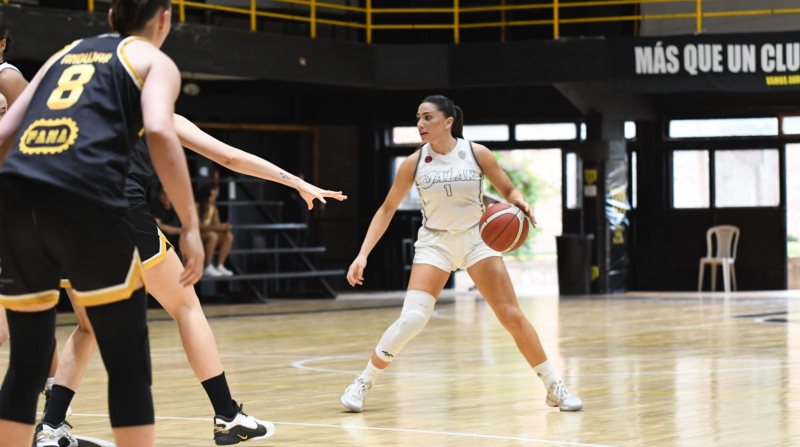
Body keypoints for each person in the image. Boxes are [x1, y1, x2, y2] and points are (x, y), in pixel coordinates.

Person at [37, 114, 347, 446]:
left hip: (62, 218)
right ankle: (228, 417)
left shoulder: (72, 109)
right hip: (119, 211)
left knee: (88, 327)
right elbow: (229, 157)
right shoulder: (151, 109)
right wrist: (297, 182)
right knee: (185, 307)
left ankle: (51, 428)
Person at [0, 1, 205, 446]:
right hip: (85, 197)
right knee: (127, 359)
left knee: (27, 360)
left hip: (17, 198)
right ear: (165, 19)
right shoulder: (153, 60)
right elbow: (159, 130)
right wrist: (190, 224)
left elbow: (5, 135)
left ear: (110, 18)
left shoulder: (64, 53)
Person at [339, 95, 583, 413]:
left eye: (427, 117)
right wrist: (362, 255)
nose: (420, 124)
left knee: (512, 316)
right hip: (435, 243)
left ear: (448, 121)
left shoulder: (477, 153)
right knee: (413, 318)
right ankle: (363, 382)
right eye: (418, 118)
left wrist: (518, 201)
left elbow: (508, 190)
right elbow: (386, 209)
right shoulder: (413, 162)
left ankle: (554, 387)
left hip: (476, 240)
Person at [198, 182, 235, 277]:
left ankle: (220, 265)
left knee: (228, 236)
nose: (213, 199)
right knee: (212, 235)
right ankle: (207, 266)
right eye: (212, 196)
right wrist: (218, 227)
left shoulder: (213, 208)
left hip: (210, 234)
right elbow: (199, 226)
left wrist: (224, 227)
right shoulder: (196, 206)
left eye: (215, 197)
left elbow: (217, 224)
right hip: (198, 236)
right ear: (206, 196)